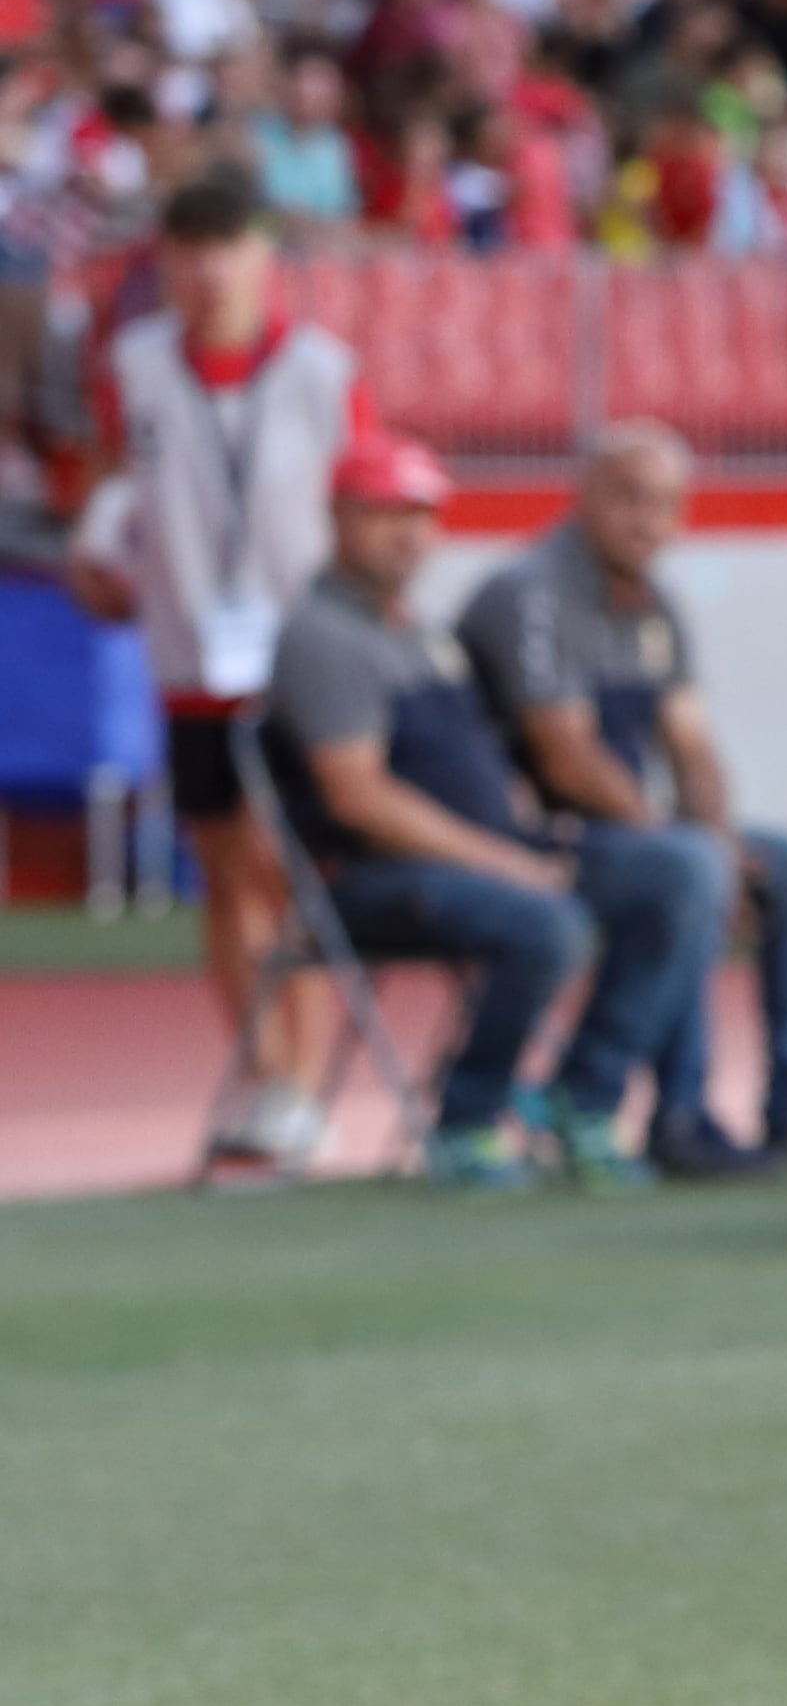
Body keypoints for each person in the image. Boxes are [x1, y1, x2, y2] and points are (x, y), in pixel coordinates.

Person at [256, 435, 724, 1189]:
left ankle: (586, 1096)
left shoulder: (416, 629)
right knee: (547, 923)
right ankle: (466, 1118)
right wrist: (507, 862)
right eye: (384, 513)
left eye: (421, 514)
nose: (408, 534)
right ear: (338, 516)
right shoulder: (323, 635)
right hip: (376, 879)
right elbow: (358, 796)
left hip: (486, 856)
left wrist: (529, 839)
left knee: (679, 872)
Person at [459, 423, 787, 1175]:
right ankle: (676, 1111)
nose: (649, 522)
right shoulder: (528, 594)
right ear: (585, 495)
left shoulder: (655, 604)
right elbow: (566, 757)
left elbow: (690, 743)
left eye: (667, 504)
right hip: (527, 838)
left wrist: (724, 841)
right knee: (687, 868)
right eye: (630, 498)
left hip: (620, 836)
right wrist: (695, 848)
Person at [66, 169, 370, 1167]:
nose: (208, 272)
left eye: (226, 248)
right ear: (165, 261)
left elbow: (359, 502)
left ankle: (305, 1084)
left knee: (290, 872)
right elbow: (118, 483)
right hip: (192, 655)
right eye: (188, 251)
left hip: (298, 663)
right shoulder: (136, 363)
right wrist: (99, 554)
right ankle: (264, 1072)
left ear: (263, 256)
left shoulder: (321, 371)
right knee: (226, 873)